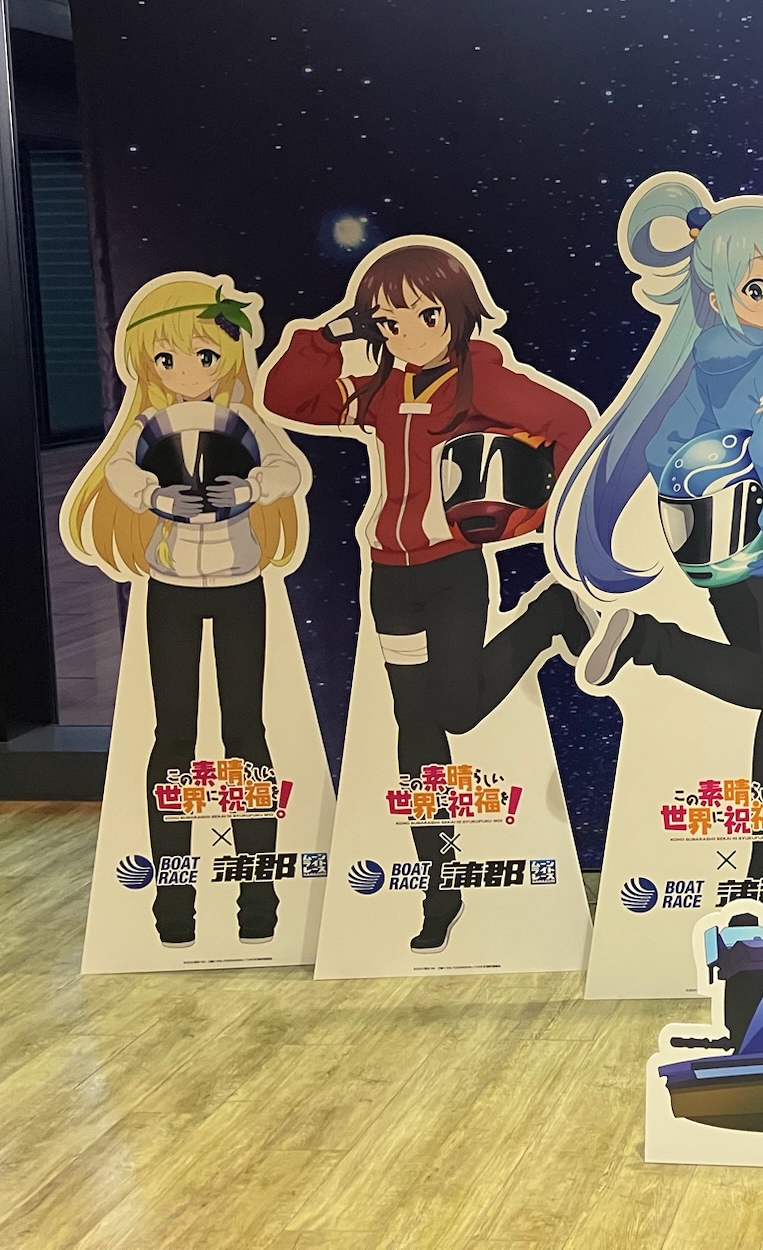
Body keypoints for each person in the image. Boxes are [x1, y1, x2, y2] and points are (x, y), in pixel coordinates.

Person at [264, 240, 594, 953]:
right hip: (390, 575)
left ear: (456, 311)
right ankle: (439, 885)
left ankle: (547, 617)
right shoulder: (382, 389)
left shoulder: (485, 382)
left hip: (453, 570)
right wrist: (331, 334)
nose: (407, 333)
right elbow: (287, 398)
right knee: (415, 730)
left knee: (457, 708)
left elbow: (572, 428)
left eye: (425, 315)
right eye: (389, 322)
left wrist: (531, 515)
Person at [555, 175, 763, 897]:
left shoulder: (706, 359)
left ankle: (649, 642)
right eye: (758, 286)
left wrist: (706, 486)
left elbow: (666, 447)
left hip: (718, 553)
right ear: (718, 296)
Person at [66, 275, 304, 947]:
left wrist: (249, 490)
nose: (188, 372)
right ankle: (173, 903)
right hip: (170, 585)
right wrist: (155, 497)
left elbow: (286, 471)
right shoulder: (148, 425)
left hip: (240, 582)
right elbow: (119, 473)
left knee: (245, 733)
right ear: (149, 365)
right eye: (167, 359)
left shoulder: (243, 421)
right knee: (174, 735)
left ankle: (258, 898)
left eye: (205, 355)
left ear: (228, 356)